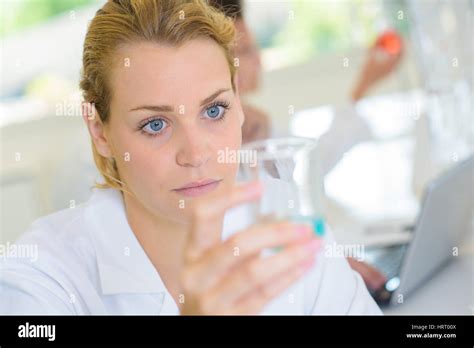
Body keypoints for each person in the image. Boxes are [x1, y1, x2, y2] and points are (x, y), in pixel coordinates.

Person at [0, 0, 381, 315]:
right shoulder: (40, 281)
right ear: (99, 131)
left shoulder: (287, 223)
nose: (197, 154)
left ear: (238, 100)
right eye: (154, 124)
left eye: (214, 111)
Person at [211, 0, 404, 292]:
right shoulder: (215, 145)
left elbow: (311, 166)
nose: (260, 62)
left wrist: (363, 86)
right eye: (247, 51)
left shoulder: (256, 122)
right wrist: (324, 260)